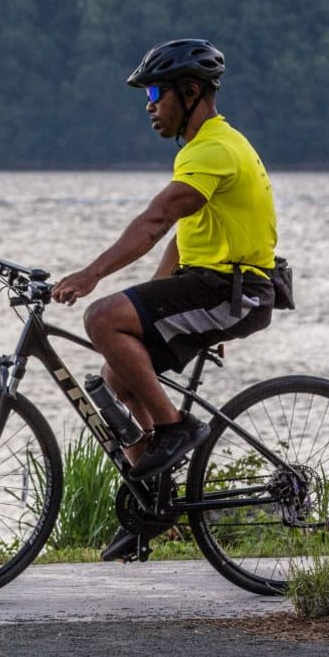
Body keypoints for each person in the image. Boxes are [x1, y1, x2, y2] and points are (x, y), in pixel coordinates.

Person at [51, 39, 279, 560]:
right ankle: (150, 508)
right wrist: (155, 303)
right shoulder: (198, 152)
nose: (149, 104)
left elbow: (155, 221)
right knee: (115, 380)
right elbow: (183, 235)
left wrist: (91, 275)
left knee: (101, 317)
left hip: (233, 287)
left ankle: (176, 428)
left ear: (191, 91)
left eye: (155, 92)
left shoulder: (215, 149)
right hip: (211, 284)